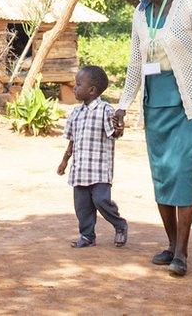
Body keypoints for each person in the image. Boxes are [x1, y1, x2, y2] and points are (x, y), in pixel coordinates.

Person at [114, 0, 192, 277]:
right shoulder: (139, 14)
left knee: (185, 175)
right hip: (156, 106)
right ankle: (172, 244)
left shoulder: (188, 4)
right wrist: (122, 104)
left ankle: (183, 253)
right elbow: (136, 64)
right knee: (162, 176)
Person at [57, 66, 128, 248]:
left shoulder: (105, 110)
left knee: (100, 200)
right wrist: (65, 161)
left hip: (99, 170)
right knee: (82, 206)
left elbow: (114, 133)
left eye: (79, 84)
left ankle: (120, 225)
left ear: (92, 90)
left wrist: (120, 127)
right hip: (80, 170)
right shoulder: (75, 113)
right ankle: (87, 236)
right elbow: (72, 140)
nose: (74, 87)